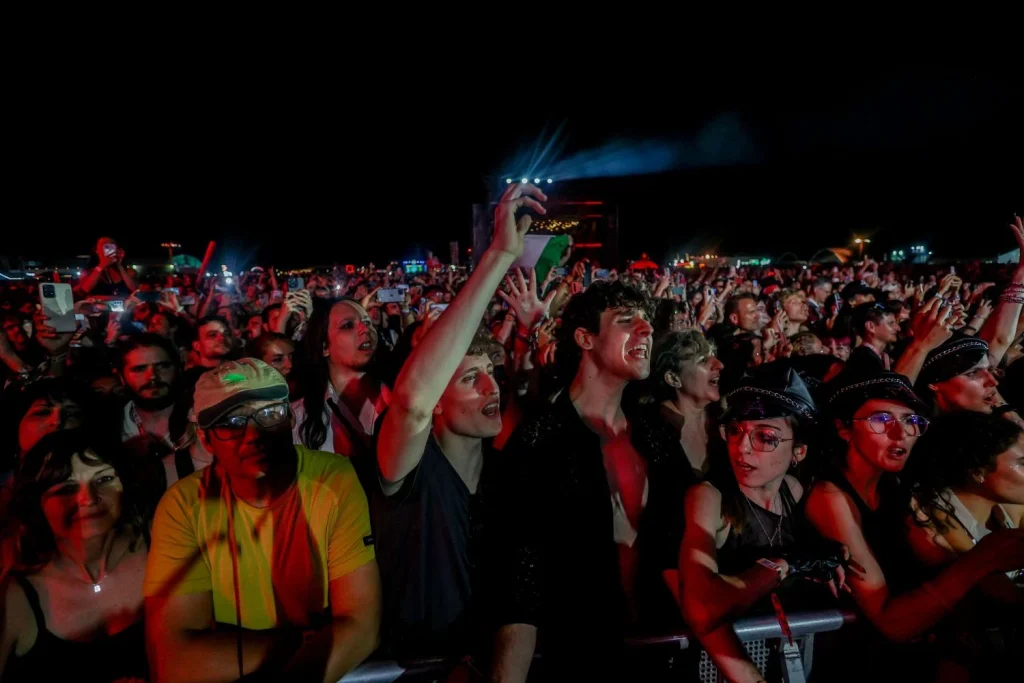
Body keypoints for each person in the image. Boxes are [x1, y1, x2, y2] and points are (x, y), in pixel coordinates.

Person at [374, 182, 549, 658]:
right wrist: (497, 255)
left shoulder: (503, 474)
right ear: (438, 400)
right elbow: (410, 403)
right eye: (471, 378)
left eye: (492, 374)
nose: (493, 388)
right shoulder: (407, 472)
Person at [143, 359, 380, 682]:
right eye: (233, 422)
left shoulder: (332, 479)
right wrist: (305, 643)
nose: (254, 435)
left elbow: (362, 626)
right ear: (206, 439)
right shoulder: (183, 506)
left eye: (270, 415)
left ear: (291, 418)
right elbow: (176, 660)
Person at [804, 369, 1024, 681]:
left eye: (911, 421)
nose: (901, 433)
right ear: (843, 429)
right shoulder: (830, 496)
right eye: (881, 420)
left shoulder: (898, 486)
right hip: (864, 663)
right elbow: (891, 623)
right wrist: (981, 560)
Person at [489, 277, 655, 681]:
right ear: (585, 338)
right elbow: (519, 582)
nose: (647, 329)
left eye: (648, 320)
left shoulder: (655, 436)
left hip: (659, 649)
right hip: (579, 658)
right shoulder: (540, 441)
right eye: (627, 319)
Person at [678, 365, 847, 683]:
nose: (741, 448)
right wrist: (783, 565)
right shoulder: (709, 498)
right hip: (714, 670)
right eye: (736, 431)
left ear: (798, 451)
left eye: (765, 437)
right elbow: (702, 608)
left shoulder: (796, 493)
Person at [0, 428, 150, 681]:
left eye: (103, 479)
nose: (87, 499)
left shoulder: (160, 543)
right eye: (66, 488)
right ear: (36, 504)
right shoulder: (16, 597)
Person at [905, 411, 1023, 584]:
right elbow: (997, 596)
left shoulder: (1010, 507)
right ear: (977, 472)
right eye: (1023, 463)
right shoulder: (932, 523)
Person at [292, 298, 390, 480]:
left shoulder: (401, 396)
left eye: (367, 322)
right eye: (347, 326)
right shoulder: (299, 419)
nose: (364, 329)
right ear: (324, 347)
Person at [117, 333, 212, 490]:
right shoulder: (108, 427)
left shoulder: (204, 419)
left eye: (162, 366)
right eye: (139, 369)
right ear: (122, 377)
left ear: (179, 368)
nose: (152, 376)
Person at [649, 329, 723, 478]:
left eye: (713, 356)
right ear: (673, 378)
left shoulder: (721, 420)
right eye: (702, 360)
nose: (720, 365)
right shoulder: (652, 430)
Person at [845, 302, 900, 372]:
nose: (898, 328)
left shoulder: (878, 356)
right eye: (891, 323)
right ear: (871, 327)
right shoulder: (864, 360)